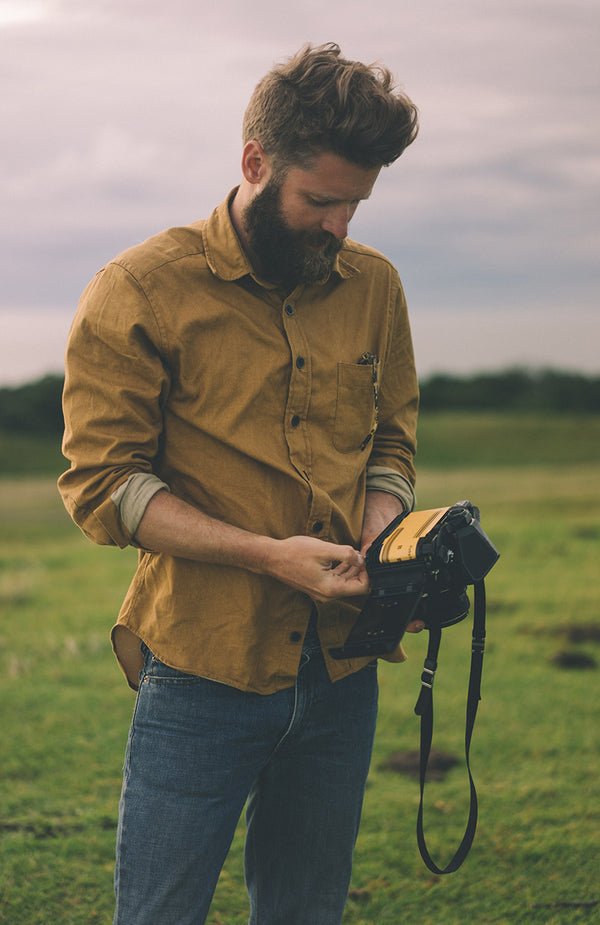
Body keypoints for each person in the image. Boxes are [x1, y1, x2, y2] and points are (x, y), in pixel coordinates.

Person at [58, 42, 421, 925]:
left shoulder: (374, 285)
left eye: (356, 204)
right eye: (321, 201)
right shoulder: (138, 289)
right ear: (256, 163)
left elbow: (392, 441)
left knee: (305, 911)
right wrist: (268, 556)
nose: (340, 226)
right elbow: (104, 486)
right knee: (160, 913)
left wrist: (381, 530)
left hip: (342, 671)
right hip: (201, 668)